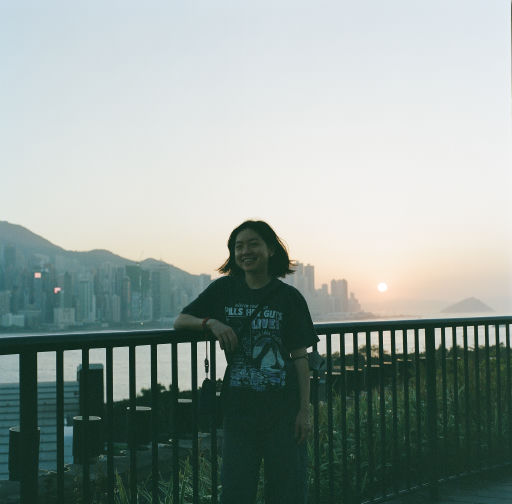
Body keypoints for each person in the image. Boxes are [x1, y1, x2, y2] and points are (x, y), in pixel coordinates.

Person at [174, 220, 319, 504]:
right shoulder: (224, 289)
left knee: (286, 491)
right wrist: (211, 323)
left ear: (271, 250)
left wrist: (304, 411)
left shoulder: (289, 297)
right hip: (239, 411)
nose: (245, 251)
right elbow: (180, 321)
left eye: (253, 244)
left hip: (283, 412)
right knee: (236, 491)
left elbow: (300, 358)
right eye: (238, 246)